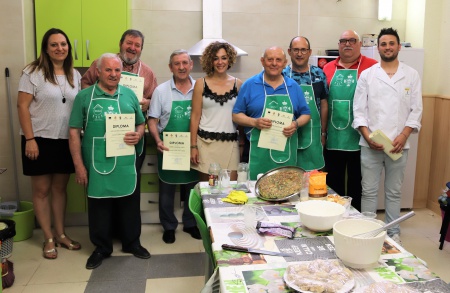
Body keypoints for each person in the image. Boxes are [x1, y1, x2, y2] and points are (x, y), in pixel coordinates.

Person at [69, 53, 150, 270]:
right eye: (108, 70)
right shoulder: (85, 97)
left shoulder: (130, 96)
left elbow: (141, 123)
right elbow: (74, 132)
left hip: (125, 161)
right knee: (99, 205)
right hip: (97, 161)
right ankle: (102, 248)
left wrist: (138, 134)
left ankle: (132, 243)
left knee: (129, 203)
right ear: (98, 71)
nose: (114, 74)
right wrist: (79, 165)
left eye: (117, 70)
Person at [353, 27, 422, 244]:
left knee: (393, 192)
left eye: (391, 43)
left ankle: (393, 234)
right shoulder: (368, 75)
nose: (388, 47)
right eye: (383, 44)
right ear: (378, 48)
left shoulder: (411, 74)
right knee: (369, 191)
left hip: (399, 146)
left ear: (399, 47)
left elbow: (416, 110)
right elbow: (359, 110)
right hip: (370, 144)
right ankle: (368, 232)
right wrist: (367, 136)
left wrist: (403, 136)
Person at [17, 28, 82, 260]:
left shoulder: (75, 75)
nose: (60, 48)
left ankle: (61, 233)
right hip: (39, 139)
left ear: (68, 47)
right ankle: (48, 237)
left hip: (66, 140)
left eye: (63, 44)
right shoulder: (32, 72)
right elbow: (22, 106)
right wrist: (30, 139)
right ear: (46, 48)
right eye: (54, 44)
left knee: (59, 189)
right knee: (42, 190)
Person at [81, 29, 157, 173]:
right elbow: (85, 84)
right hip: (101, 132)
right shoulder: (100, 64)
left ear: (141, 49)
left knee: (130, 176)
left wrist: (148, 103)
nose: (132, 48)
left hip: (133, 134)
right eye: (129, 43)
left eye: (137, 45)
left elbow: (155, 100)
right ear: (120, 44)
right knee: (102, 175)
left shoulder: (148, 73)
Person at [233, 46, 311, 180]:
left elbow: (306, 114)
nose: (274, 63)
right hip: (256, 152)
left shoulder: (293, 86)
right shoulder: (250, 85)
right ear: (262, 61)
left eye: (278, 60)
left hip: (286, 150)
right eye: (270, 59)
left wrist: (295, 124)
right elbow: (236, 115)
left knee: (285, 190)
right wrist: (254, 122)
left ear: (285, 63)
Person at [148, 50, 201, 244]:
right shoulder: (161, 91)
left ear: (191, 65)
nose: (181, 67)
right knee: (167, 190)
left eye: (185, 63)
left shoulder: (200, 88)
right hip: (168, 148)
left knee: (191, 189)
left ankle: (190, 223)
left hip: (193, 147)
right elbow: (152, 120)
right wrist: (157, 140)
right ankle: (169, 226)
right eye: (177, 64)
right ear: (170, 67)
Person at [322, 30, 378, 211]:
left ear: (359, 44)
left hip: (361, 136)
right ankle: (333, 217)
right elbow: (322, 102)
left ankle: (356, 220)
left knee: (357, 182)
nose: (347, 44)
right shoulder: (327, 68)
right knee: (333, 181)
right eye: (343, 41)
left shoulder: (372, 67)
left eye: (352, 40)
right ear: (338, 45)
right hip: (333, 136)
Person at [190, 41, 244, 181]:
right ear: (210, 61)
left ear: (229, 59)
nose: (220, 62)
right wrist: (193, 146)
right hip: (205, 145)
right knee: (208, 192)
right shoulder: (200, 84)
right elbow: (195, 116)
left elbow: (242, 116)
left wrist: (242, 143)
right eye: (216, 58)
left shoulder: (238, 84)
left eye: (224, 58)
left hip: (231, 144)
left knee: (230, 190)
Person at [283, 36, 329, 171]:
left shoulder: (319, 74)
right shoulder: (282, 74)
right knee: (288, 175)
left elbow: (324, 103)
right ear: (289, 52)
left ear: (309, 52)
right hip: (287, 133)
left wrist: (323, 133)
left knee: (312, 180)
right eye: (296, 50)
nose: (299, 54)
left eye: (303, 50)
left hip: (314, 134)